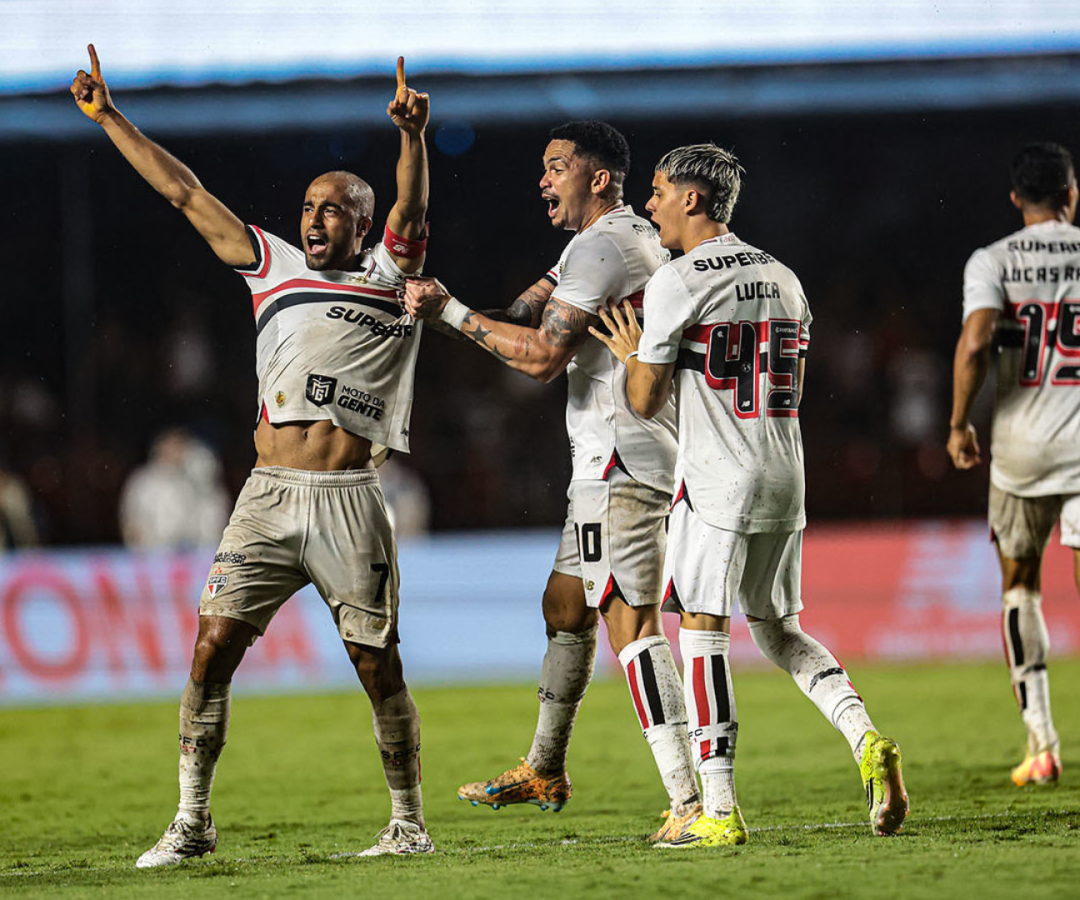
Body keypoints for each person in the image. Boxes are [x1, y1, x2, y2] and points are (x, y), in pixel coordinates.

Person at [71, 46, 434, 862]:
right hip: (267, 496)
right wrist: (108, 117)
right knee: (210, 648)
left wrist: (412, 138)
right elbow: (182, 191)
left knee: (377, 667)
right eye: (310, 204)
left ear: (362, 225)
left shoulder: (390, 275)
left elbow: (412, 210)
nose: (315, 217)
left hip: (350, 497)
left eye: (335, 208)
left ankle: (408, 826)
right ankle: (192, 823)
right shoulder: (271, 267)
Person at [591, 142, 909, 845]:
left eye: (659, 191)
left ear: (693, 200)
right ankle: (865, 737)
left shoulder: (678, 280)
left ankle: (719, 807)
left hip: (716, 482)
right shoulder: (784, 276)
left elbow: (645, 400)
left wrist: (629, 354)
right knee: (779, 628)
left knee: (702, 630)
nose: (650, 204)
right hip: (783, 471)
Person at [404, 122, 702, 841]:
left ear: (600, 178)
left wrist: (443, 310)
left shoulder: (604, 248)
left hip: (623, 464)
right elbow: (518, 316)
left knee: (629, 622)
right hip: (609, 463)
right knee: (566, 606)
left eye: (557, 167)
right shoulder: (605, 242)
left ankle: (694, 802)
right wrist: (430, 309)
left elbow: (538, 359)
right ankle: (545, 766)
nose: (543, 180)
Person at [947, 142, 1080, 787]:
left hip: (1023, 445)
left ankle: (1043, 744)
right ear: (1071, 195)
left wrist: (957, 423)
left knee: (1020, 586)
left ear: (1014, 200)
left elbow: (976, 339)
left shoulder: (993, 259)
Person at [119, 428, 230, 549]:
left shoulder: (198, 481)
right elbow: (131, 523)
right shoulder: (142, 482)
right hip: (153, 555)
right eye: (172, 446)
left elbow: (215, 517)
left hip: (198, 555)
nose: (177, 452)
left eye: (181, 446)